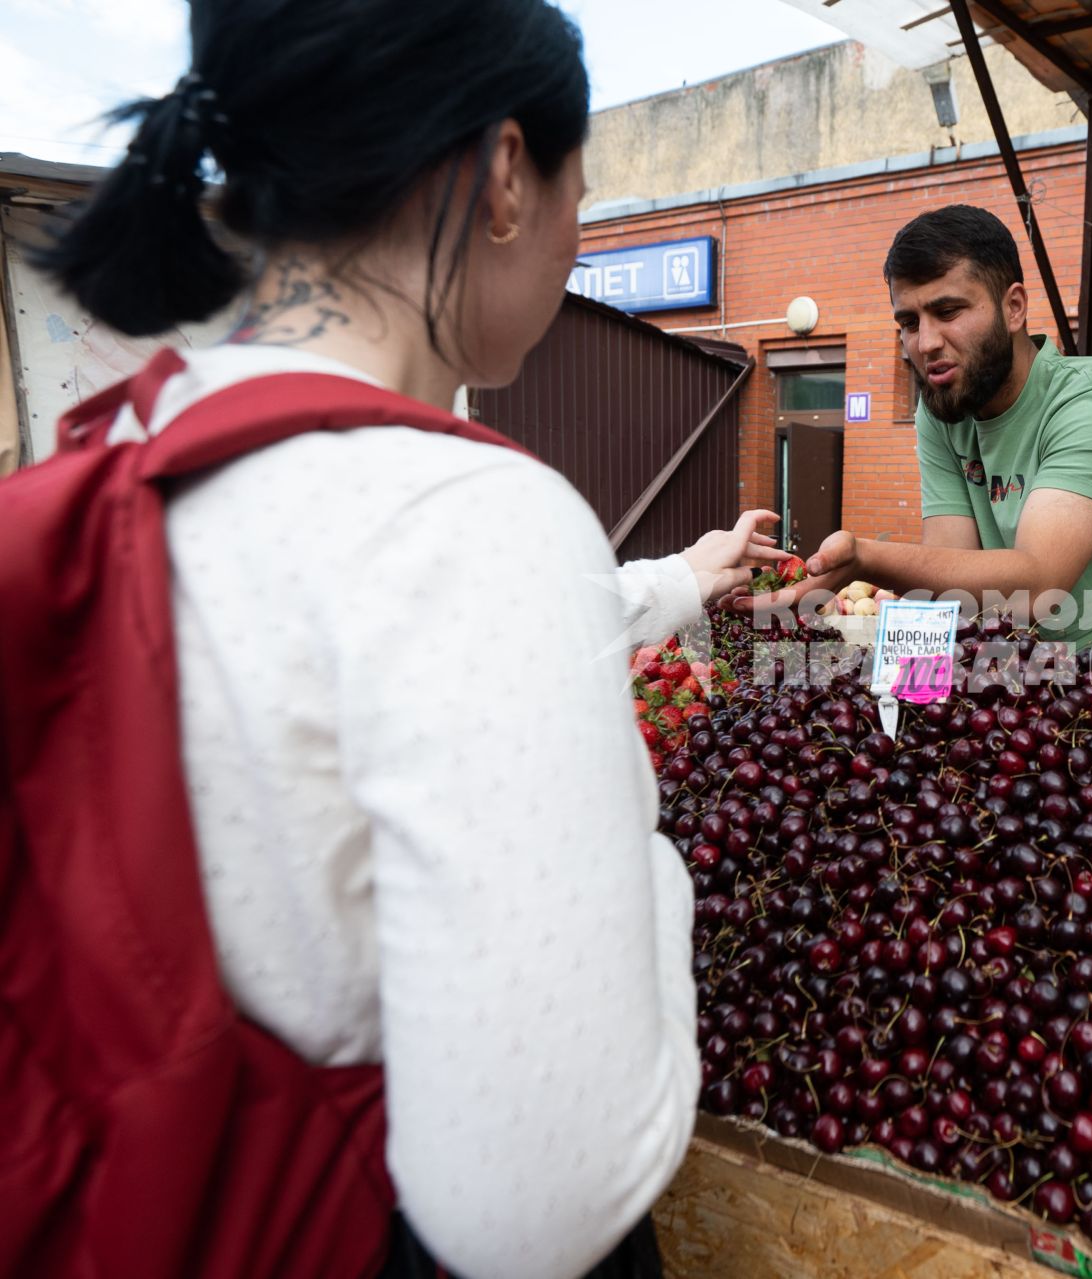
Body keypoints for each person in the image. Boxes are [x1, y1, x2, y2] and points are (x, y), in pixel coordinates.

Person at [4, 2, 773, 1275]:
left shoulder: (134, 456)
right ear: (511, 178)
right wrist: (656, 880)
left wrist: (687, 574)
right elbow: (538, 1209)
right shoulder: (468, 520)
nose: (579, 237)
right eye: (583, 190)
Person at [766, 205, 1092, 709]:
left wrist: (866, 557)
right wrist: (903, 714)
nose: (926, 343)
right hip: (1047, 711)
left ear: (1014, 307)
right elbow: (950, 582)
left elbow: (1037, 586)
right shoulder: (943, 411)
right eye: (908, 321)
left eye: (948, 311)